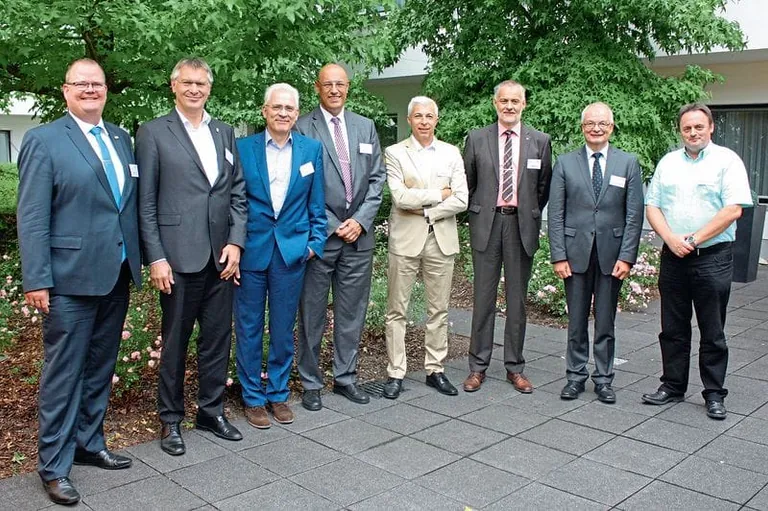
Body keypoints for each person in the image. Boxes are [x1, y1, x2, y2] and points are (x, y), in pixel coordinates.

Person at [16, 58, 142, 505]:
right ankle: (54, 466)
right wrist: (37, 279)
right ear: (66, 90)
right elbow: (32, 216)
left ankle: (89, 443)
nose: (91, 90)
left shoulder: (121, 138)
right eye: (81, 84)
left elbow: (124, 205)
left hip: (115, 274)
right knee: (64, 374)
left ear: (106, 89)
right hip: (68, 279)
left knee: (100, 368)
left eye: (97, 84)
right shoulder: (44, 140)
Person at [136, 58, 247, 455]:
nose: (194, 89)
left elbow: (237, 192)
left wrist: (236, 242)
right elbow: (145, 202)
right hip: (177, 258)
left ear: (209, 88)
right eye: (187, 83)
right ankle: (170, 420)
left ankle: (210, 411)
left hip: (221, 257)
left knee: (217, 339)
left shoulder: (224, 132)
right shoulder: (153, 132)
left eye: (201, 83)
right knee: (175, 343)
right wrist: (156, 257)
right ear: (174, 86)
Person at [642, 103, 752, 420]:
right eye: (687, 128)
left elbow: (733, 209)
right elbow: (652, 206)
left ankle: (714, 394)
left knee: (712, 330)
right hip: (673, 256)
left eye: (699, 127)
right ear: (680, 131)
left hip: (712, 258)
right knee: (672, 328)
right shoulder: (668, 163)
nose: (693, 133)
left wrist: (693, 239)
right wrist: (671, 239)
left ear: (711, 127)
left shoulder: (727, 161)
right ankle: (672, 386)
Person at [295, 64, 386, 411]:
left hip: (358, 239)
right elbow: (301, 184)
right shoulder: (303, 127)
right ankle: (311, 382)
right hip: (320, 237)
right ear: (317, 87)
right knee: (311, 314)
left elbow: (377, 179)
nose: (335, 90)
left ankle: (346, 377)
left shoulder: (365, 126)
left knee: (352, 312)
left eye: (340, 84)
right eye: (328, 84)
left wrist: (360, 221)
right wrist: (335, 224)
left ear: (349, 87)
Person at [234, 83, 326, 428]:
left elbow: (317, 202)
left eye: (289, 108)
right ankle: (252, 397)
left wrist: (314, 243)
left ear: (297, 114)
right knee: (249, 326)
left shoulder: (311, 150)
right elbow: (234, 202)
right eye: (277, 107)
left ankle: (277, 393)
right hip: (251, 250)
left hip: (291, 252)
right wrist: (234, 245)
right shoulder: (243, 148)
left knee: (283, 328)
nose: (283, 113)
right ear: (265, 111)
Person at [548, 102, 644, 403]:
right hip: (574, 254)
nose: (596, 128)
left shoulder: (628, 163)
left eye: (602, 123)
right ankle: (575, 377)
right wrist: (558, 255)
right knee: (576, 321)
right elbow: (556, 214)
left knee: (605, 322)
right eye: (590, 123)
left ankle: (603, 379)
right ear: (582, 127)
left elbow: (634, 215)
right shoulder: (565, 163)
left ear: (611, 127)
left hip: (611, 256)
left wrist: (627, 257)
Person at [462, 80, 553, 393]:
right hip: (486, 225)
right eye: (504, 101)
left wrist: (526, 210)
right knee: (483, 299)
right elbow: (468, 182)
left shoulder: (540, 141)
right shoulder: (477, 138)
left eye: (515, 101)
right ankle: (477, 367)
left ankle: (515, 367)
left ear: (524, 104)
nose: (510, 106)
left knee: (517, 302)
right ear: (495, 103)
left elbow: (543, 187)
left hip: (520, 226)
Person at [381, 96, 468, 399]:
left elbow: (461, 199)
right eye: (418, 116)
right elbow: (400, 198)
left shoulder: (451, 152)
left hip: (441, 239)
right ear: (409, 120)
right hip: (405, 240)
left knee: (439, 310)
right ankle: (395, 372)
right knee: (396, 310)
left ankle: (435, 369)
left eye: (429, 116)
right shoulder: (394, 153)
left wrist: (428, 210)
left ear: (436, 119)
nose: (424, 121)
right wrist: (440, 194)